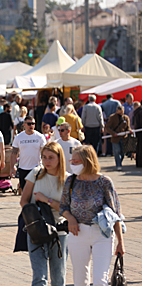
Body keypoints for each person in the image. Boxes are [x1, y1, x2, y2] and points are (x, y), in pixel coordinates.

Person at [60, 145, 125, 286]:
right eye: (71, 161)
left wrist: (120, 242)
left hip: (101, 233)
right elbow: (63, 206)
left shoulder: (104, 182)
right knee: (79, 279)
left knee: (100, 280)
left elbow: (115, 214)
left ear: (87, 161)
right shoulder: (71, 181)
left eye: (76, 161)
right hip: (77, 233)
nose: (72, 164)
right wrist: (70, 218)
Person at [20, 142, 70, 286]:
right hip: (37, 230)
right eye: (44, 157)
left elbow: (67, 210)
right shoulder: (35, 174)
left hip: (59, 231)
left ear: (60, 158)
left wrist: (47, 200)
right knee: (39, 277)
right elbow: (24, 201)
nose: (46, 161)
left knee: (58, 277)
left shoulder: (68, 180)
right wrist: (33, 219)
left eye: (51, 157)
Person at [11, 116, 47, 192]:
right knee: (25, 192)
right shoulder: (19, 137)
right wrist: (11, 167)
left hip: (36, 169)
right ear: (24, 124)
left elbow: (44, 153)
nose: (31, 126)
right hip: (23, 168)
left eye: (33, 124)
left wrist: (45, 167)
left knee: (36, 192)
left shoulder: (40, 137)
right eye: (29, 124)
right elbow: (14, 153)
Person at [105, 106, 131, 171]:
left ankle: (120, 162)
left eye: (122, 112)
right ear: (117, 111)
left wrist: (129, 130)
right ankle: (118, 164)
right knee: (117, 151)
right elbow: (107, 127)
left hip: (123, 137)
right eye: (120, 112)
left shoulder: (126, 118)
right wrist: (113, 133)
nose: (121, 114)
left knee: (123, 152)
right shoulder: (112, 117)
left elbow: (128, 127)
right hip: (115, 138)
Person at [133, 103, 142, 167]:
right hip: (140, 131)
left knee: (139, 147)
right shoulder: (141, 112)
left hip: (138, 131)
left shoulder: (137, 111)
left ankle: (139, 162)